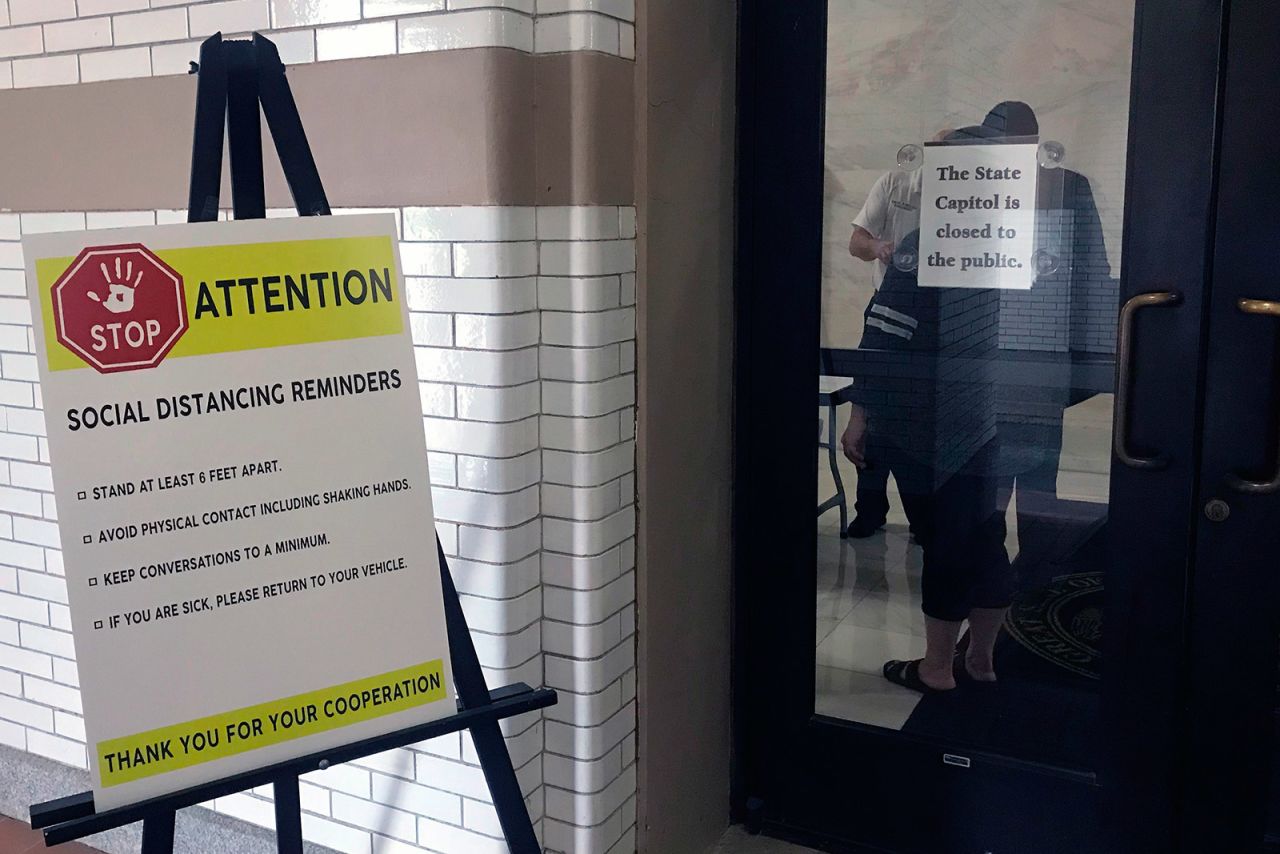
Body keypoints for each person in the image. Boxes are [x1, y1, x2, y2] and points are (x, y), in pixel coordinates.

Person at [842, 126, 1014, 693]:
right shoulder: (1007, 237)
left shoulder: (929, 243)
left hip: (920, 421)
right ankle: (981, 659)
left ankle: (937, 668)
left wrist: (860, 414)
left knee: (943, 540)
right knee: (985, 536)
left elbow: (884, 338)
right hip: (986, 418)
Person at [844, 129, 951, 538]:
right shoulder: (895, 183)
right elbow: (856, 242)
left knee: (910, 420)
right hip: (889, 304)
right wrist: (881, 248)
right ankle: (870, 509)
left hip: (935, 317)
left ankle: (924, 516)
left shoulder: (973, 193)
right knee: (875, 409)